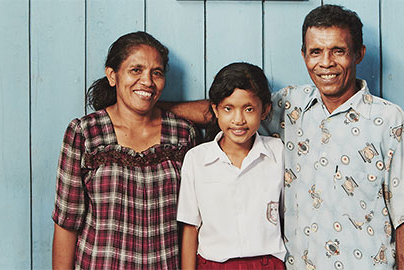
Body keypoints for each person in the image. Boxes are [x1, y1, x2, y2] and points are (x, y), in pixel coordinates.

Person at [167, 4, 404, 269]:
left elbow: (403, 217)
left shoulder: (389, 120)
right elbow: (232, 106)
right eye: (316, 52)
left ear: (358, 54)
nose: (326, 62)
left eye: (338, 51)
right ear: (304, 56)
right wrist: (151, 108)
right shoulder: (290, 106)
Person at [51, 31, 197, 269]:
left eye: (156, 73)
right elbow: (67, 223)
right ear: (112, 75)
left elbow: (190, 223)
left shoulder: (182, 134)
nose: (148, 81)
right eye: (136, 70)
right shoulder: (84, 133)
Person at [177, 62, 286, 270]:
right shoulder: (197, 159)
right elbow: (191, 228)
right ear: (215, 110)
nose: (238, 119)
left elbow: (288, 217)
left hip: (267, 263)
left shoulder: (278, 153)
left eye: (249, 109)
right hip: (213, 265)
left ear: (265, 110)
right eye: (228, 108)